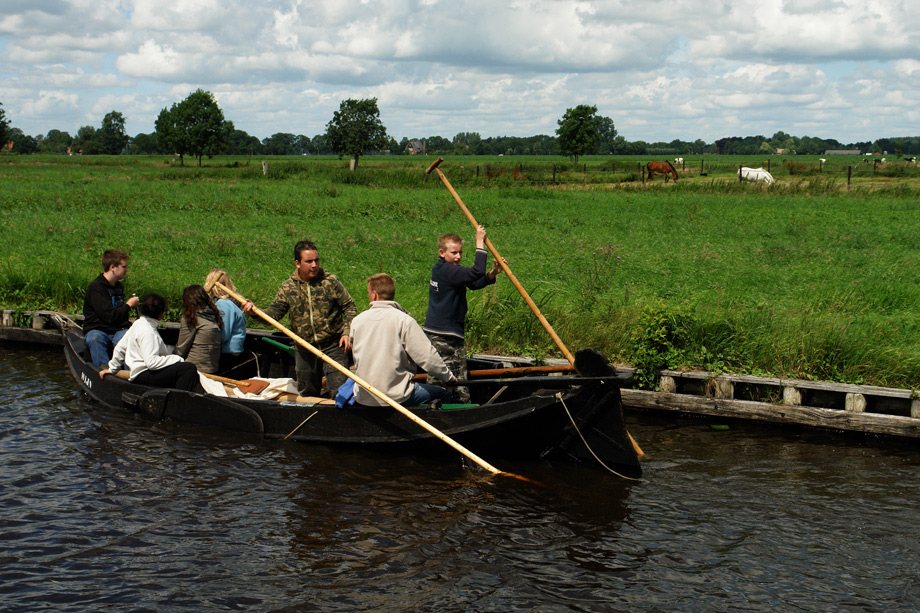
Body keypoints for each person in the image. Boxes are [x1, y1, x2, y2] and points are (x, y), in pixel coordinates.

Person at [242, 240, 356, 397]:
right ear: (297, 263)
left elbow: (349, 306)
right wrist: (255, 312)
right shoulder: (288, 287)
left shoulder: (330, 282)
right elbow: (274, 313)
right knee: (307, 394)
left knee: (340, 392)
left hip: (333, 346)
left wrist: (347, 331)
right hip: (304, 349)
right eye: (309, 261)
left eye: (316, 260)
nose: (314, 265)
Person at [423, 225, 503, 402]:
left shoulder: (447, 270)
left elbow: (474, 283)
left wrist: (493, 273)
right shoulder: (447, 270)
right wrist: (479, 241)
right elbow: (476, 271)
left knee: (458, 380)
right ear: (442, 253)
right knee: (442, 379)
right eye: (454, 253)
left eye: (460, 252)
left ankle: (460, 406)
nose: (458, 257)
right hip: (443, 335)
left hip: (449, 333)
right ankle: (436, 412)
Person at [350, 273, 456, 407]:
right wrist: (448, 378)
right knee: (443, 394)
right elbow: (428, 358)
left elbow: (356, 359)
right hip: (396, 397)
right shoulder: (404, 321)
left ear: (374, 295)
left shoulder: (357, 322)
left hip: (363, 396)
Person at [100, 293, 203, 393]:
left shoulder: (138, 324)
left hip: (140, 372)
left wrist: (113, 368)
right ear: (160, 314)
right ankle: (180, 401)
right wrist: (177, 359)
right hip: (143, 374)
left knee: (183, 368)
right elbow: (152, 363)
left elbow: (120, 347)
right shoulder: (149, 332)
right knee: (188, 368)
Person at [83, 249, 140, 366]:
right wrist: (128, 305)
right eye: (124, 266)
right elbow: (109, 316)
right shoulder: (96, 288)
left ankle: (129, 373)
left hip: (117, 330)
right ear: (112, 267)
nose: (127, 270)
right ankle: (103, 371)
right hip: (99, 330)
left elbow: (121, 316)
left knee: (127, 338)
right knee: (95, 339)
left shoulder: (118, 287)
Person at [203, 269, 248, 373]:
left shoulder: (223, 304)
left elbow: (223, 333)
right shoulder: (228, 303)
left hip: (229, 353)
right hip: (231, 351)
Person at [174, 284, 223, 374]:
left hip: (194, 368)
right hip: (212, 367)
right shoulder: (213, 315)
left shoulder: (191, 318)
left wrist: (170, 360)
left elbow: (182, 347)